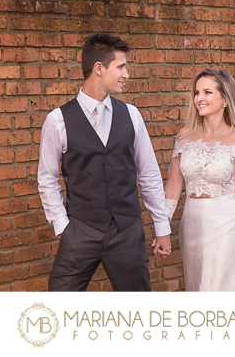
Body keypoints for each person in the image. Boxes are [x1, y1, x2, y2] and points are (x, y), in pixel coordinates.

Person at [38, 32, 172, 291]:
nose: (126, 74)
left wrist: (162, 225)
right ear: (99, 68)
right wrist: (63, 227)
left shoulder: (131, 115)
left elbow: (148, 174)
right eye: (121, 67)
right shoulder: (57, 120)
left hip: (127, 231)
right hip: (80, 231)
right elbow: (47, 178)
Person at [163, 68, 235, 291]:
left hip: (227, 224)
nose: (199, 98)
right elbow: (172, 188)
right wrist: (164, 227)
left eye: (207, 92)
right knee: (198, 285)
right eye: (197, 92)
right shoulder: (184, 136)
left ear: (225, 99)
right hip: (191, 224)